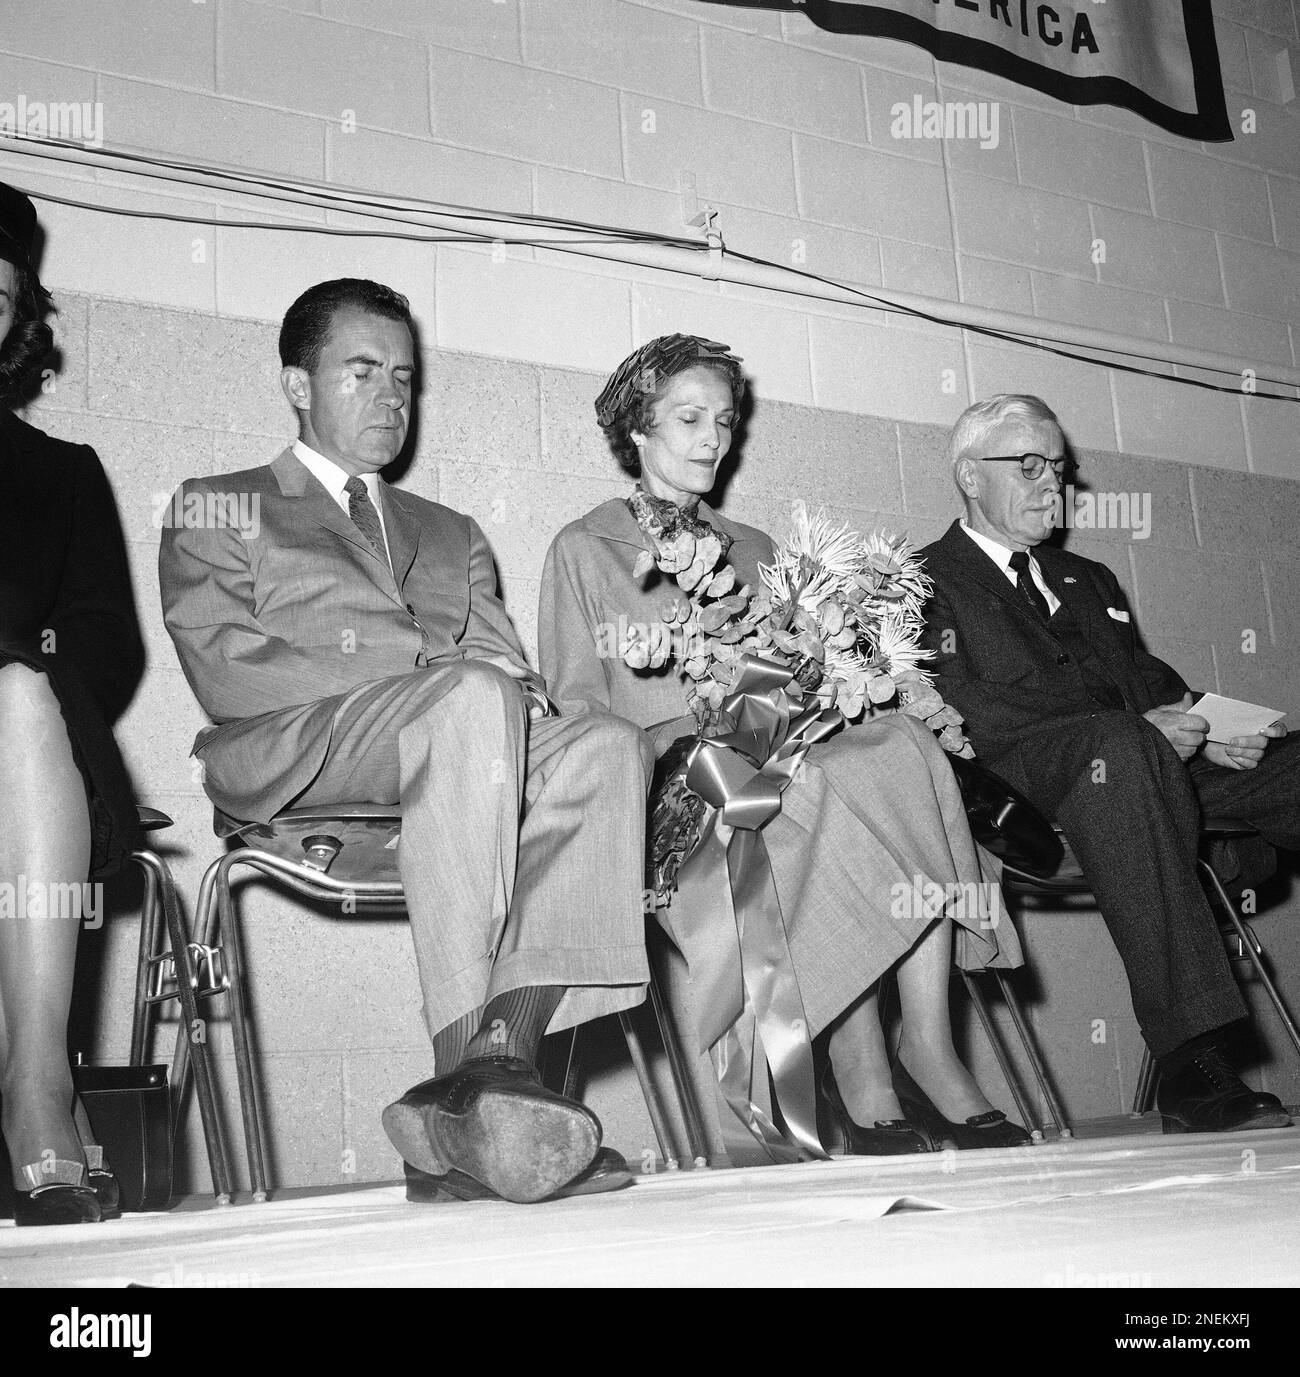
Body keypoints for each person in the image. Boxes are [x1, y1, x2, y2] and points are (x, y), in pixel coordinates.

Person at [158, 279, 653, 1204]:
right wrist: (430, 679)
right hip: (305, 751)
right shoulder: (216, 504)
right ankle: (472, 1094)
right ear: (298, 385)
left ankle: (489, 1071)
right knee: (465, 695)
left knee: (606, 744)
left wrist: (478, 689)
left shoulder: (451, 532)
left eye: (404, 376)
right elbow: (230, 670)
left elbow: (513, 675)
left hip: (464, 741)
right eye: (362, 371)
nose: (392, 395)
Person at [539, 334, 1027, 1157]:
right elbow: (582, 714)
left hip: (786, 758)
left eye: (724, 421)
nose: (712, 439)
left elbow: (806, 676)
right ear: (636, 433)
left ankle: (927, 1045)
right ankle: (864, 1064)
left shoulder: (760, 551)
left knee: (902, 743)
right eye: (689, 418)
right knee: (825, 789)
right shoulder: (582, 548)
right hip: (680, 788)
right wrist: (698, 723)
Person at [918, 393, 1296, 1133]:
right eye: (1027, 464)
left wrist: (1212, 729)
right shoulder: (919, 577)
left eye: (1056, 467)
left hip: (1147, 766)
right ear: (969, 474)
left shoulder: (1086, 581)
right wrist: (1140, 728)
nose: (1049, 481)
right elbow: (958, 707)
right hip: (1030, 791)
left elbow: (1157, 690)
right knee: (1121, 749)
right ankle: (1195, 1062)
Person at [0, 181, 144, 1224]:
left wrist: (22, 669)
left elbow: (104, 643)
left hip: (19, 754)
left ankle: (37, 1083)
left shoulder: (60, 474)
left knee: (17, 693)